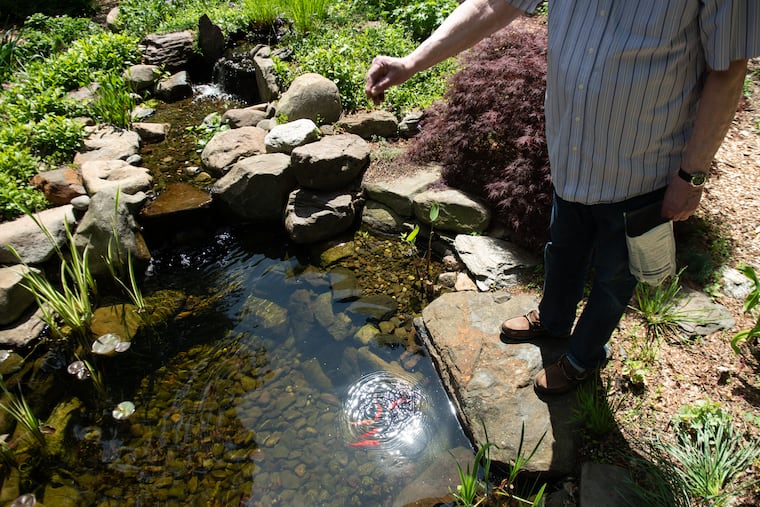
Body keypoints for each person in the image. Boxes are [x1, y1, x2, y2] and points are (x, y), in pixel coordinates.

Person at [365, 0, 759, 394]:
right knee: (562, 249)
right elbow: (494, 3)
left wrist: (691, 176)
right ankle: (553, 321)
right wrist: (412, 62)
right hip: (571, 157)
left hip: (644, 171)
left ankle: (581, 358)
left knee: (613, 278)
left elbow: (727, 70)